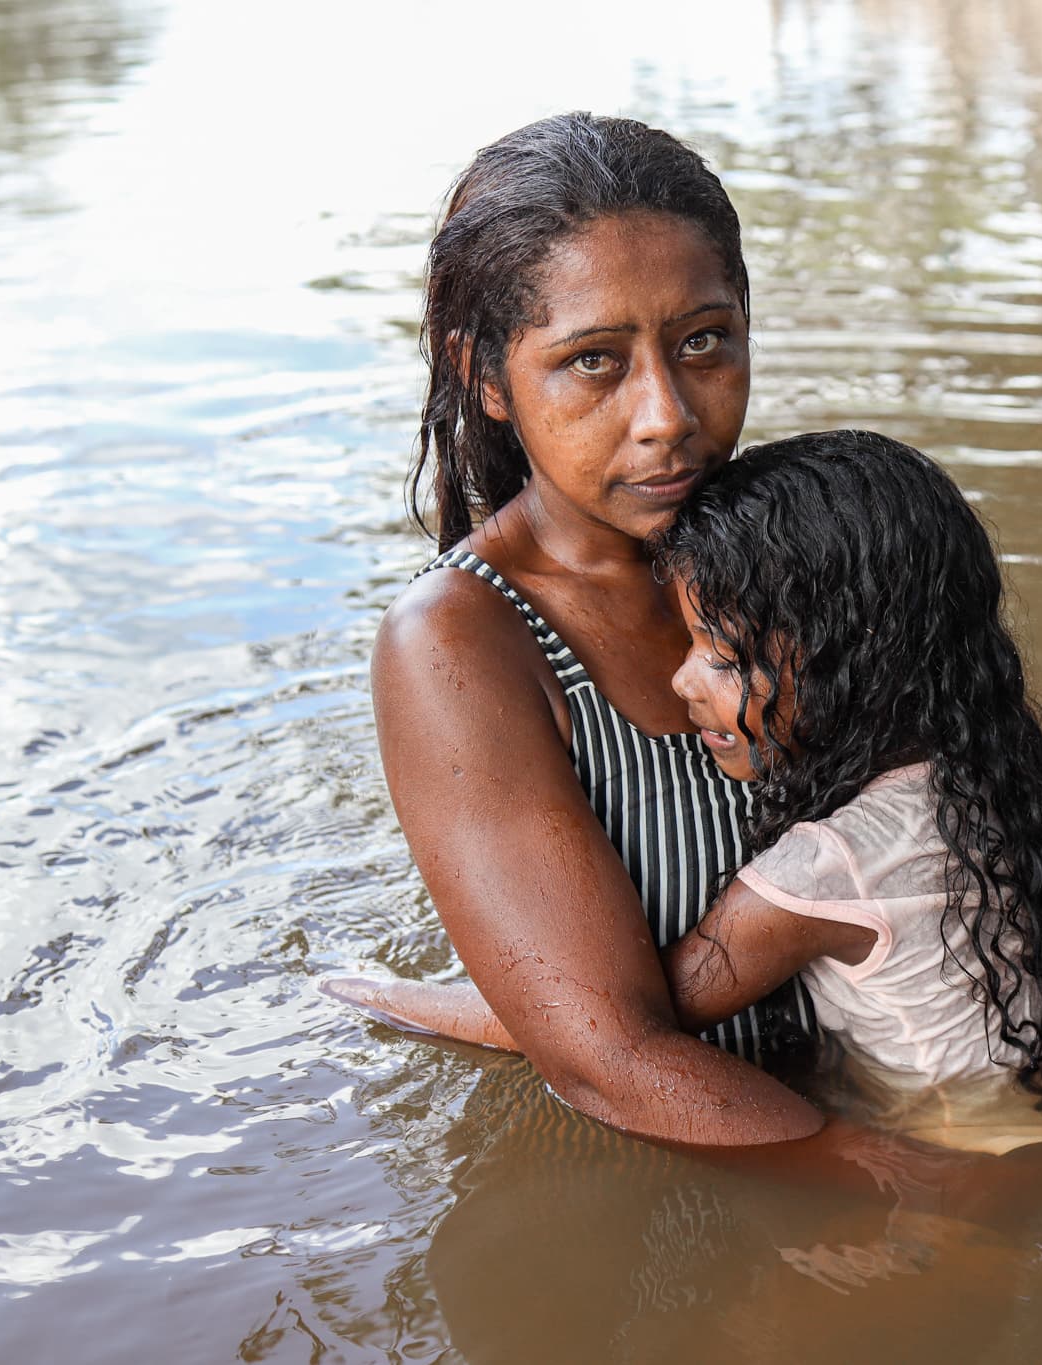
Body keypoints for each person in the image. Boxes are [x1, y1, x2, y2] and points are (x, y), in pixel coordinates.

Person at [345, 430, 1042, 1134]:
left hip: (965, 1158)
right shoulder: (993, 783)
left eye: (723, 657)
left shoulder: (823, 868)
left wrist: (387, 996)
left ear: (852, 667)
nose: (681, 682)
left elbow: (608, 1021)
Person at [364, 111, 825, 1147]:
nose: (667, 414)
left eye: (701, 342)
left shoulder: (817, 551)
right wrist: (912, 1191)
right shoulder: (460, 644)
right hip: (700, 1199)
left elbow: (999, 821)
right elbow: (613, 1065)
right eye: (593, 361)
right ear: (485, 376)